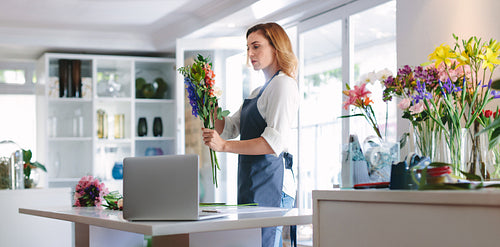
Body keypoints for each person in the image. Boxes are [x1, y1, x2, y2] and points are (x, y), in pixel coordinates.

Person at [201, 22, 299, 247]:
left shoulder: (283, 85)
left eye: (256, 46)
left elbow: (273, 143)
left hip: (272, 184)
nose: (250, 54)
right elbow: (229, 127)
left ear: (276, 47)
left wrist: (224, 146)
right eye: (247, 48)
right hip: (253, 182)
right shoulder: (260, 90)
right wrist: (208, 102)